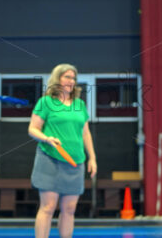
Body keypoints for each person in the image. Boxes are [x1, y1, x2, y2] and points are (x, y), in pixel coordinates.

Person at [28, 64, 97, 238]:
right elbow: (33, 129)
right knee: (48, 207)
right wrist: (47, 139)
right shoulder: (46, 102)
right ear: (57, 79)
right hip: (49, 159)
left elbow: (85, 132)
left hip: (75, 162)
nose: (71, 81)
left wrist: (92, 158)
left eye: (73, 78)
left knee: (69, 209)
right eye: (67, 77)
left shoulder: (80, 105)